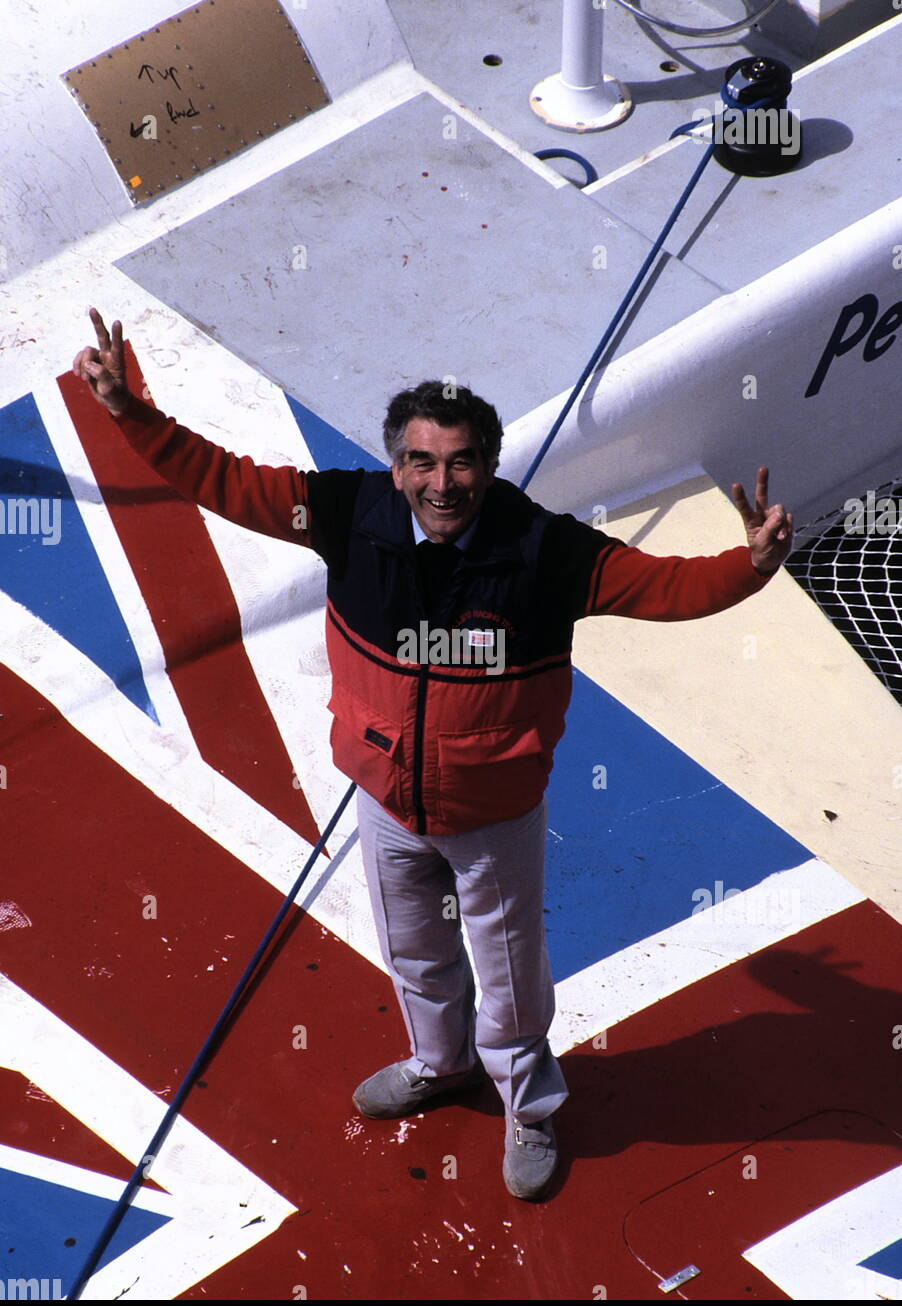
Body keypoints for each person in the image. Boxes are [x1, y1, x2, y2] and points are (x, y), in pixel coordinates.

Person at [73, 308, 793, 1200]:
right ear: (395, 465)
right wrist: (129, 413)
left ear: (488, 468)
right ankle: (441, 1064)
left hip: (493, 818)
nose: (441, 483)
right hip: (386, 804)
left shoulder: (545, 552)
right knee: (413, 956)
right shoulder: (346, 512)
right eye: (422, 461)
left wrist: (749, 566)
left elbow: (665, 587)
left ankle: (529, 1106)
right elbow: (224, 481)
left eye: (460, 463)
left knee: (510, 978)